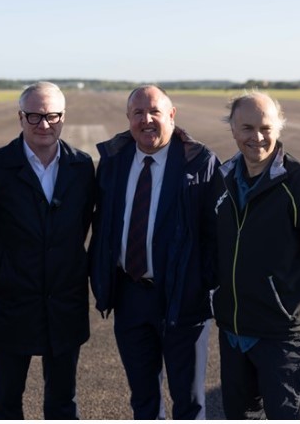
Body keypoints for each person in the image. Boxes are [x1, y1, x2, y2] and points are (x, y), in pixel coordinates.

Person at [212, 90, 300, 419]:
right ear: (232, 128)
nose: (256, 137)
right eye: (246, 128)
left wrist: (287, 301)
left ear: (279, 129)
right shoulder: (222, 178)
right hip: (233, 332)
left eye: (265, 128)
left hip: (282, 338)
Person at [90, 85, 220, 419]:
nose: (146, 120)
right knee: (143, 399)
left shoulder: (199, 162)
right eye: (138, 113)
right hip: (131, 297)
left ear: (172, 115)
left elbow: (215, 235)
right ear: (128, 118)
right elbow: (103, 223)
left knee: (189, 401)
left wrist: (199, 283)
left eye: (155, 112)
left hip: (183, 300)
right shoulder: (114, 161)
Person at [0, 81, 95, 419]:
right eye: (34, 116)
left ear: (63, 118)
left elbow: (81, 225)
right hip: (13, 302)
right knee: (6, 400)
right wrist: (4, 271)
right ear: (20, 117)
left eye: (52, 116)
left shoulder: (82, 166)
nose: (44, 124)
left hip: (64, 303)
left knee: (62, 401)